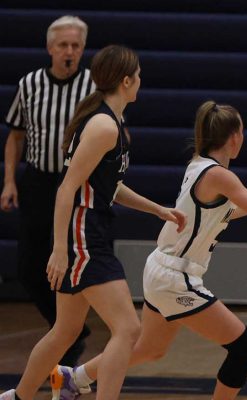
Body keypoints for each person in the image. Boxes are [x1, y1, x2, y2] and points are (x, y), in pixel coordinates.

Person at [48, 100, 247, 400]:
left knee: (150, 349)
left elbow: (215, 213)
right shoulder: (220, 175)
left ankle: (73, 378)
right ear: (234, 137)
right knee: (246, 349)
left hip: (161, 268)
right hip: (175, 277)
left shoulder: (198, 164)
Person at [0, 44, 187, 400]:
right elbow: (66, 188)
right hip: (83, 235)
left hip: (84, 231)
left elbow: (108, 186)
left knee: (65, 330)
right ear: (127, 81)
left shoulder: (108, 122)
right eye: (139, 76)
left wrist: (157, 210)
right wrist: (58, 249)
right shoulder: (103, 126)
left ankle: (19, 397)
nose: (142, 81)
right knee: (129, 329)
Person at [1, 15, 95, 367]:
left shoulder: (94, 86)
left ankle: (67, 337)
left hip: (78, 185)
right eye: (63, 45)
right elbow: (15, 136)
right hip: (39, 181)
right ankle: (68, 328)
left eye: (75, 46)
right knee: (28, 267)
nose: (69, 52)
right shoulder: (29, 84)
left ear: (83, 49)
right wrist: (10, 181)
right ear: (49, 48)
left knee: (70, 265)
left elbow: (117, 133)